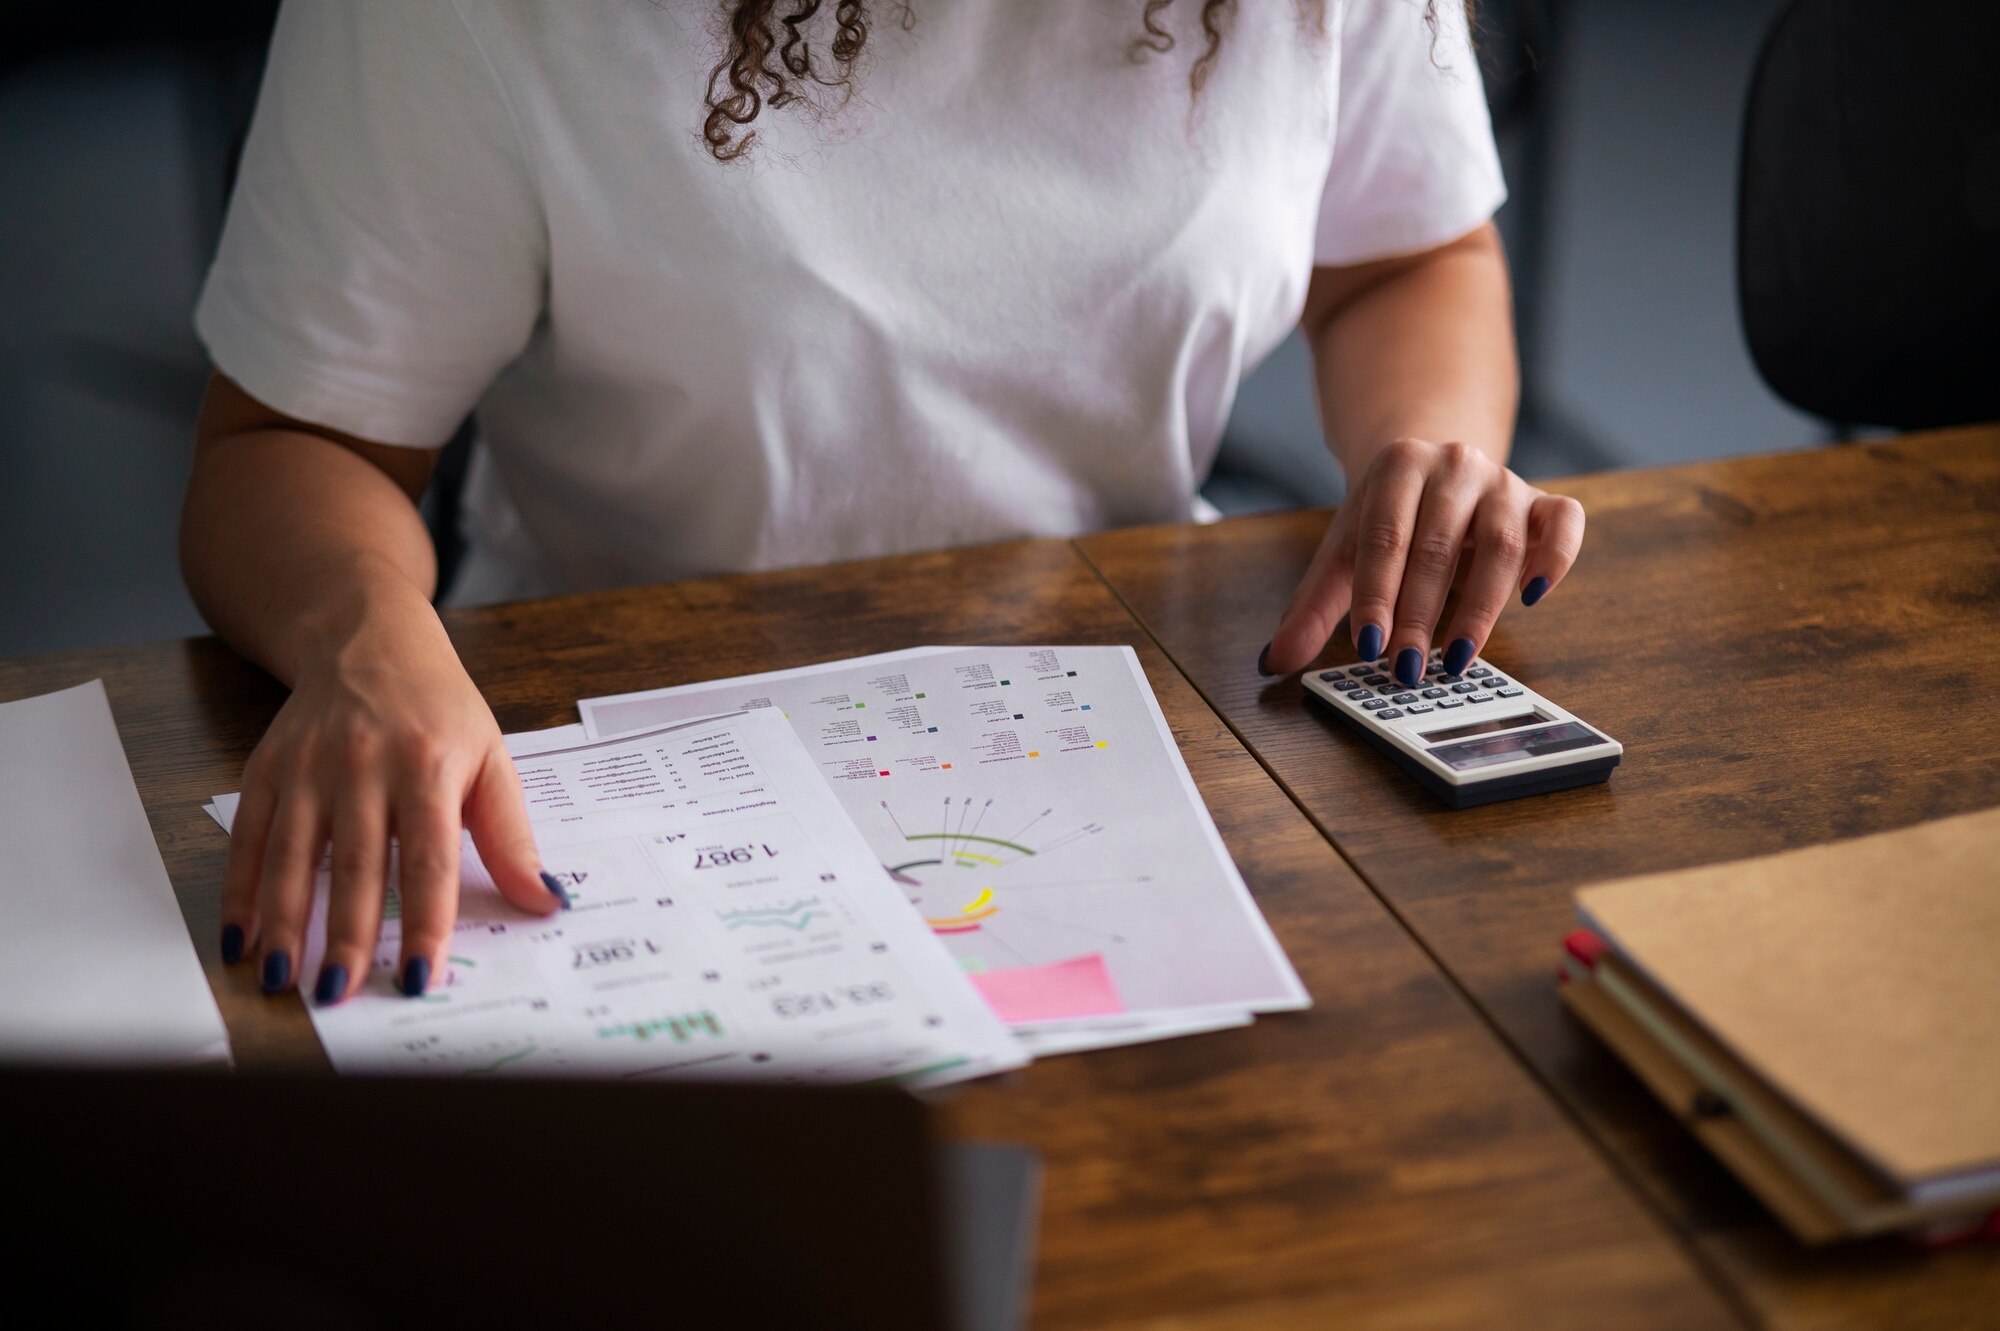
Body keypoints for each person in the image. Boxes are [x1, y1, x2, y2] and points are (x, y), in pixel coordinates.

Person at [183, 0, 1583, 1006]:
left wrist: (1427, 449)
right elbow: (287, 446)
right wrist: (368, 638)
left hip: (1133, 731)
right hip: (609, 760)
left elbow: (1410, 255)